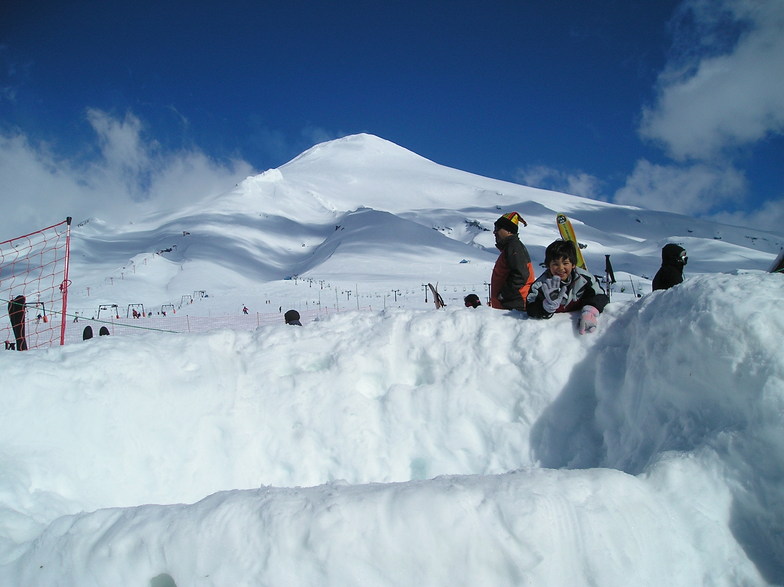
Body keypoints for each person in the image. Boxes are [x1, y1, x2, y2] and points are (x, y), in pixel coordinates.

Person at [526, 239, 609, 334]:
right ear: (548, 265)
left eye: (565, 263)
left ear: (573, 264)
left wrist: (590, 312)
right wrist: (546, 307)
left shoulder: (585, 279)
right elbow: (530, 307)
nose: (561, 268)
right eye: (555, 264)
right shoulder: (540, 285)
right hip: (552, 332)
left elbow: (601, 296)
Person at [489, 212, 535, 311]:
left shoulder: (514, 247)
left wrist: (503, 295)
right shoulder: (511, 247)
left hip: (514, 304)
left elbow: (521, 274)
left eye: (498, 229)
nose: (494, 232)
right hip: (510, 304)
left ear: (509, 231)